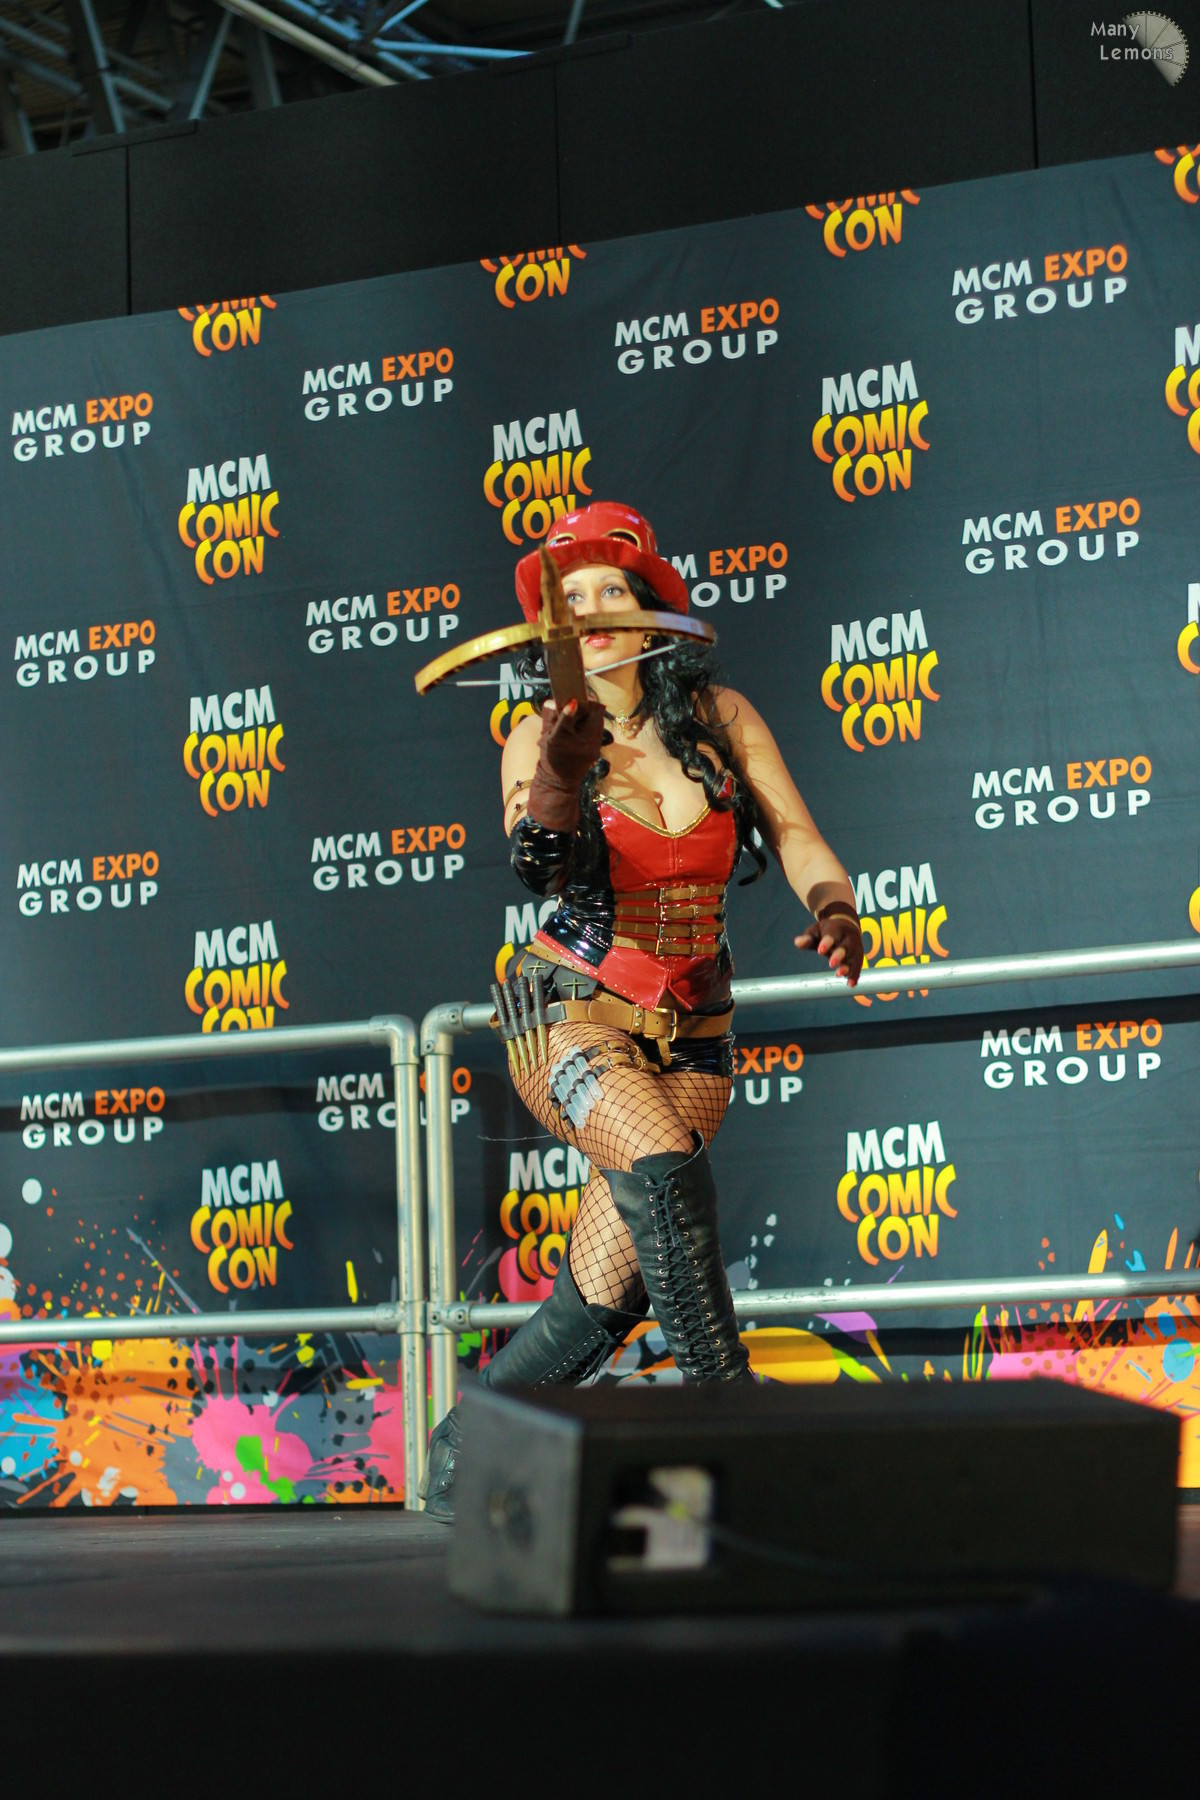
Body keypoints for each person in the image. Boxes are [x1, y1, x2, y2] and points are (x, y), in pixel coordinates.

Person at [420, 501, 863, 1521]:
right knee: (663, 1172)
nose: (589, 613)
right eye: (568, 599)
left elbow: (796, 835)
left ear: (653, 610)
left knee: (607, 1291)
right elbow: (539, 867)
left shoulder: (721, 719)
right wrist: (561, 775)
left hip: (696, 1039)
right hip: (568, 1013)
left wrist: (837, 909)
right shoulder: (535, 737)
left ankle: (459, 1454)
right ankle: (731, 1425)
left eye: (609, 591)